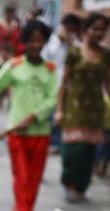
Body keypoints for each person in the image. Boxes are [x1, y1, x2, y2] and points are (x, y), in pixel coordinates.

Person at [0, 20, 57, 211]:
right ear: (24, 41)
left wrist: (34, 116)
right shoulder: (14, 65)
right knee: (21, 179)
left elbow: (52, 99)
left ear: (44, 42)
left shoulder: (50, 70)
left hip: (40, 133)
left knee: (32, 182)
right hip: (17, 134)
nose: (35, 44)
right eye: (31, 39)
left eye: (39, 39)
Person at [55, 12, 110, 202]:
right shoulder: (74, 51)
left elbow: (108, 83)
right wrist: (59, 109)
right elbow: (64, 83)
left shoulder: (106, 55)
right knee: (72, 150)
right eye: (94, 28)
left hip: (94, 109)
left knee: (88, 153)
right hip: (74, 107)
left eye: (101, 30)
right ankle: (68, 183)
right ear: (86, 29)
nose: (98, 33)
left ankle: (81, 187)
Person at [41, 13, 81, 154]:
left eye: (71, 29)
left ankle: (56, 143)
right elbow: (44, 61)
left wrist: (69, 43)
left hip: (67, 86)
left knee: (61, 113)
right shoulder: (51, 43)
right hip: (51, 83)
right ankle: (49, 141)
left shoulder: (76, 44)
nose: (68, 32)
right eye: (66, 28)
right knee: (50, 113)